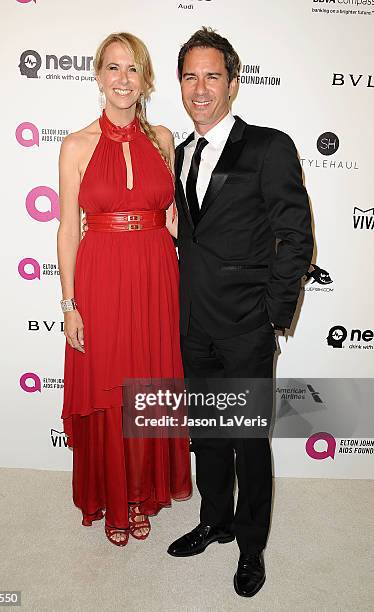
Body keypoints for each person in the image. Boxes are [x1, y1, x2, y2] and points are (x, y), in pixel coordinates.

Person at [166, 28, 314, 597]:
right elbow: (193, 235)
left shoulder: (268, 146)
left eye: (212, 76)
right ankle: (215, 520)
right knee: (208, 433)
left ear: (233, 82)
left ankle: (251, 548)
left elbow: (294, 236)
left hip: (246, 324)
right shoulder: (180, 153)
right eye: (190, 76)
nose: (200, 88)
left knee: (249, 441)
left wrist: (272, 315)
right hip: (195, 323)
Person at [57, 32, 192, 547]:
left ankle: (141, 491)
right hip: (102, 274)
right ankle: (117, 496)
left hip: (157, 270)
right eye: (113, 68)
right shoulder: (76, 145)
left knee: (149, 381)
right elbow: (69, 228)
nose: (123, 79)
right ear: (97, 76)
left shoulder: (163, 138)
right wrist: (69, 303)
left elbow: (175, 219)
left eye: (133, 69)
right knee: (112, 386)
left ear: (145, 79)